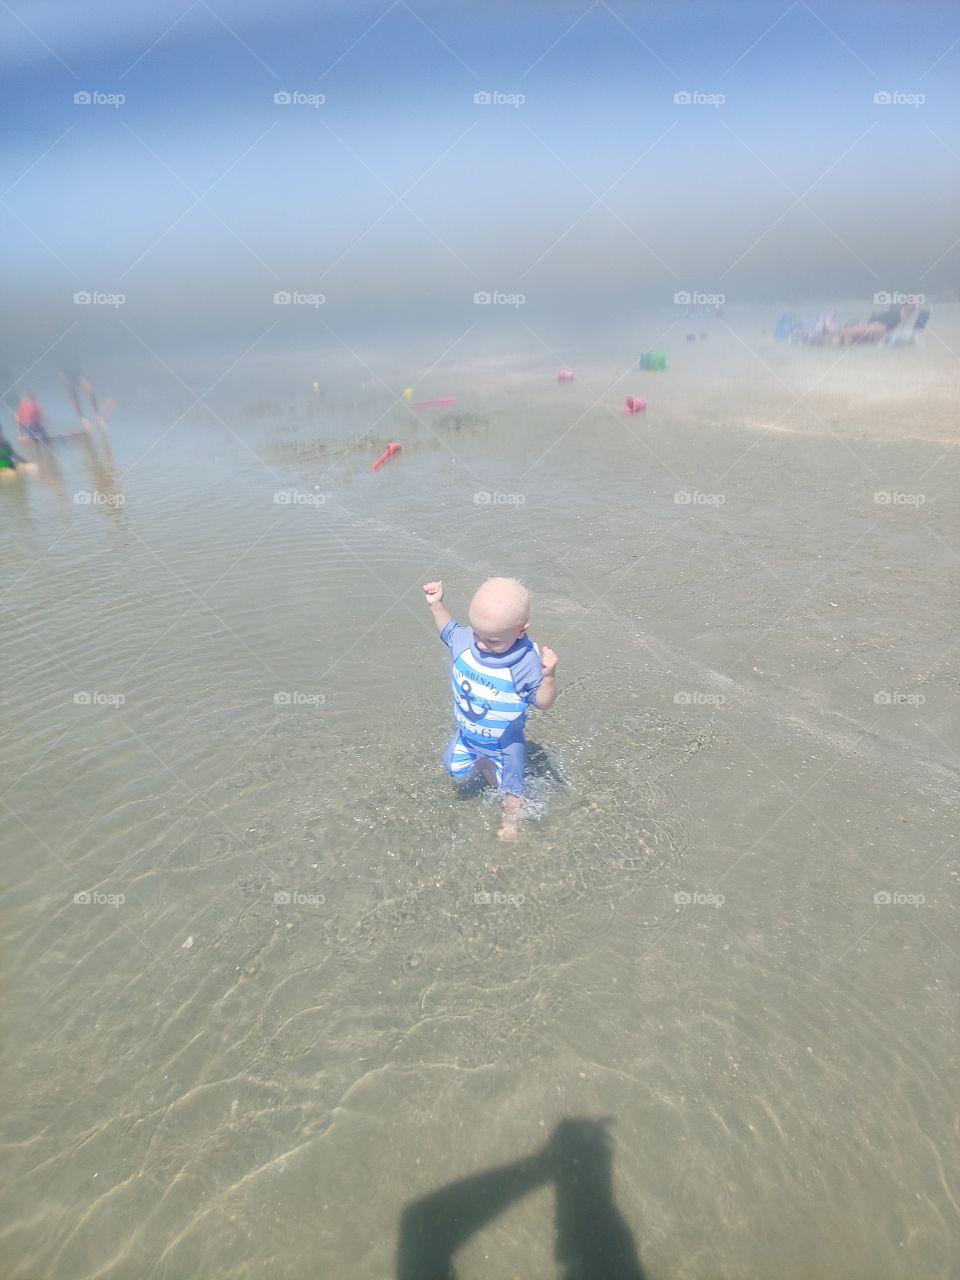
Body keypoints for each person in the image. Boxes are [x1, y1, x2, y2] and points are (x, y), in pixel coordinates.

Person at [423, 576, 558, 841]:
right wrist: (436, 604)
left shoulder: (524, 664)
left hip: (505, 745)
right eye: (477, 634)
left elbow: (543, 703)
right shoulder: (467, 642)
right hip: (468, 735)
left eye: (493, 641)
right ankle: (483, 764)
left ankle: (510, 823)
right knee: (453, 768)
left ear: (520, 631)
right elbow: (448, 630)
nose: (482, 645)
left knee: (512, 787)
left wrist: (549, 677)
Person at [839, 301, 916, 345]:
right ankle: (846, 347)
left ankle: (847, 351)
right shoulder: (896, 313)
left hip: (880, 325)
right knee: (845, 333)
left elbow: (913, 303)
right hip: (876, 324)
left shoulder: (900, 313)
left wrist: (910, 300)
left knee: (845, 332)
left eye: (898, 302)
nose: (894, 303)